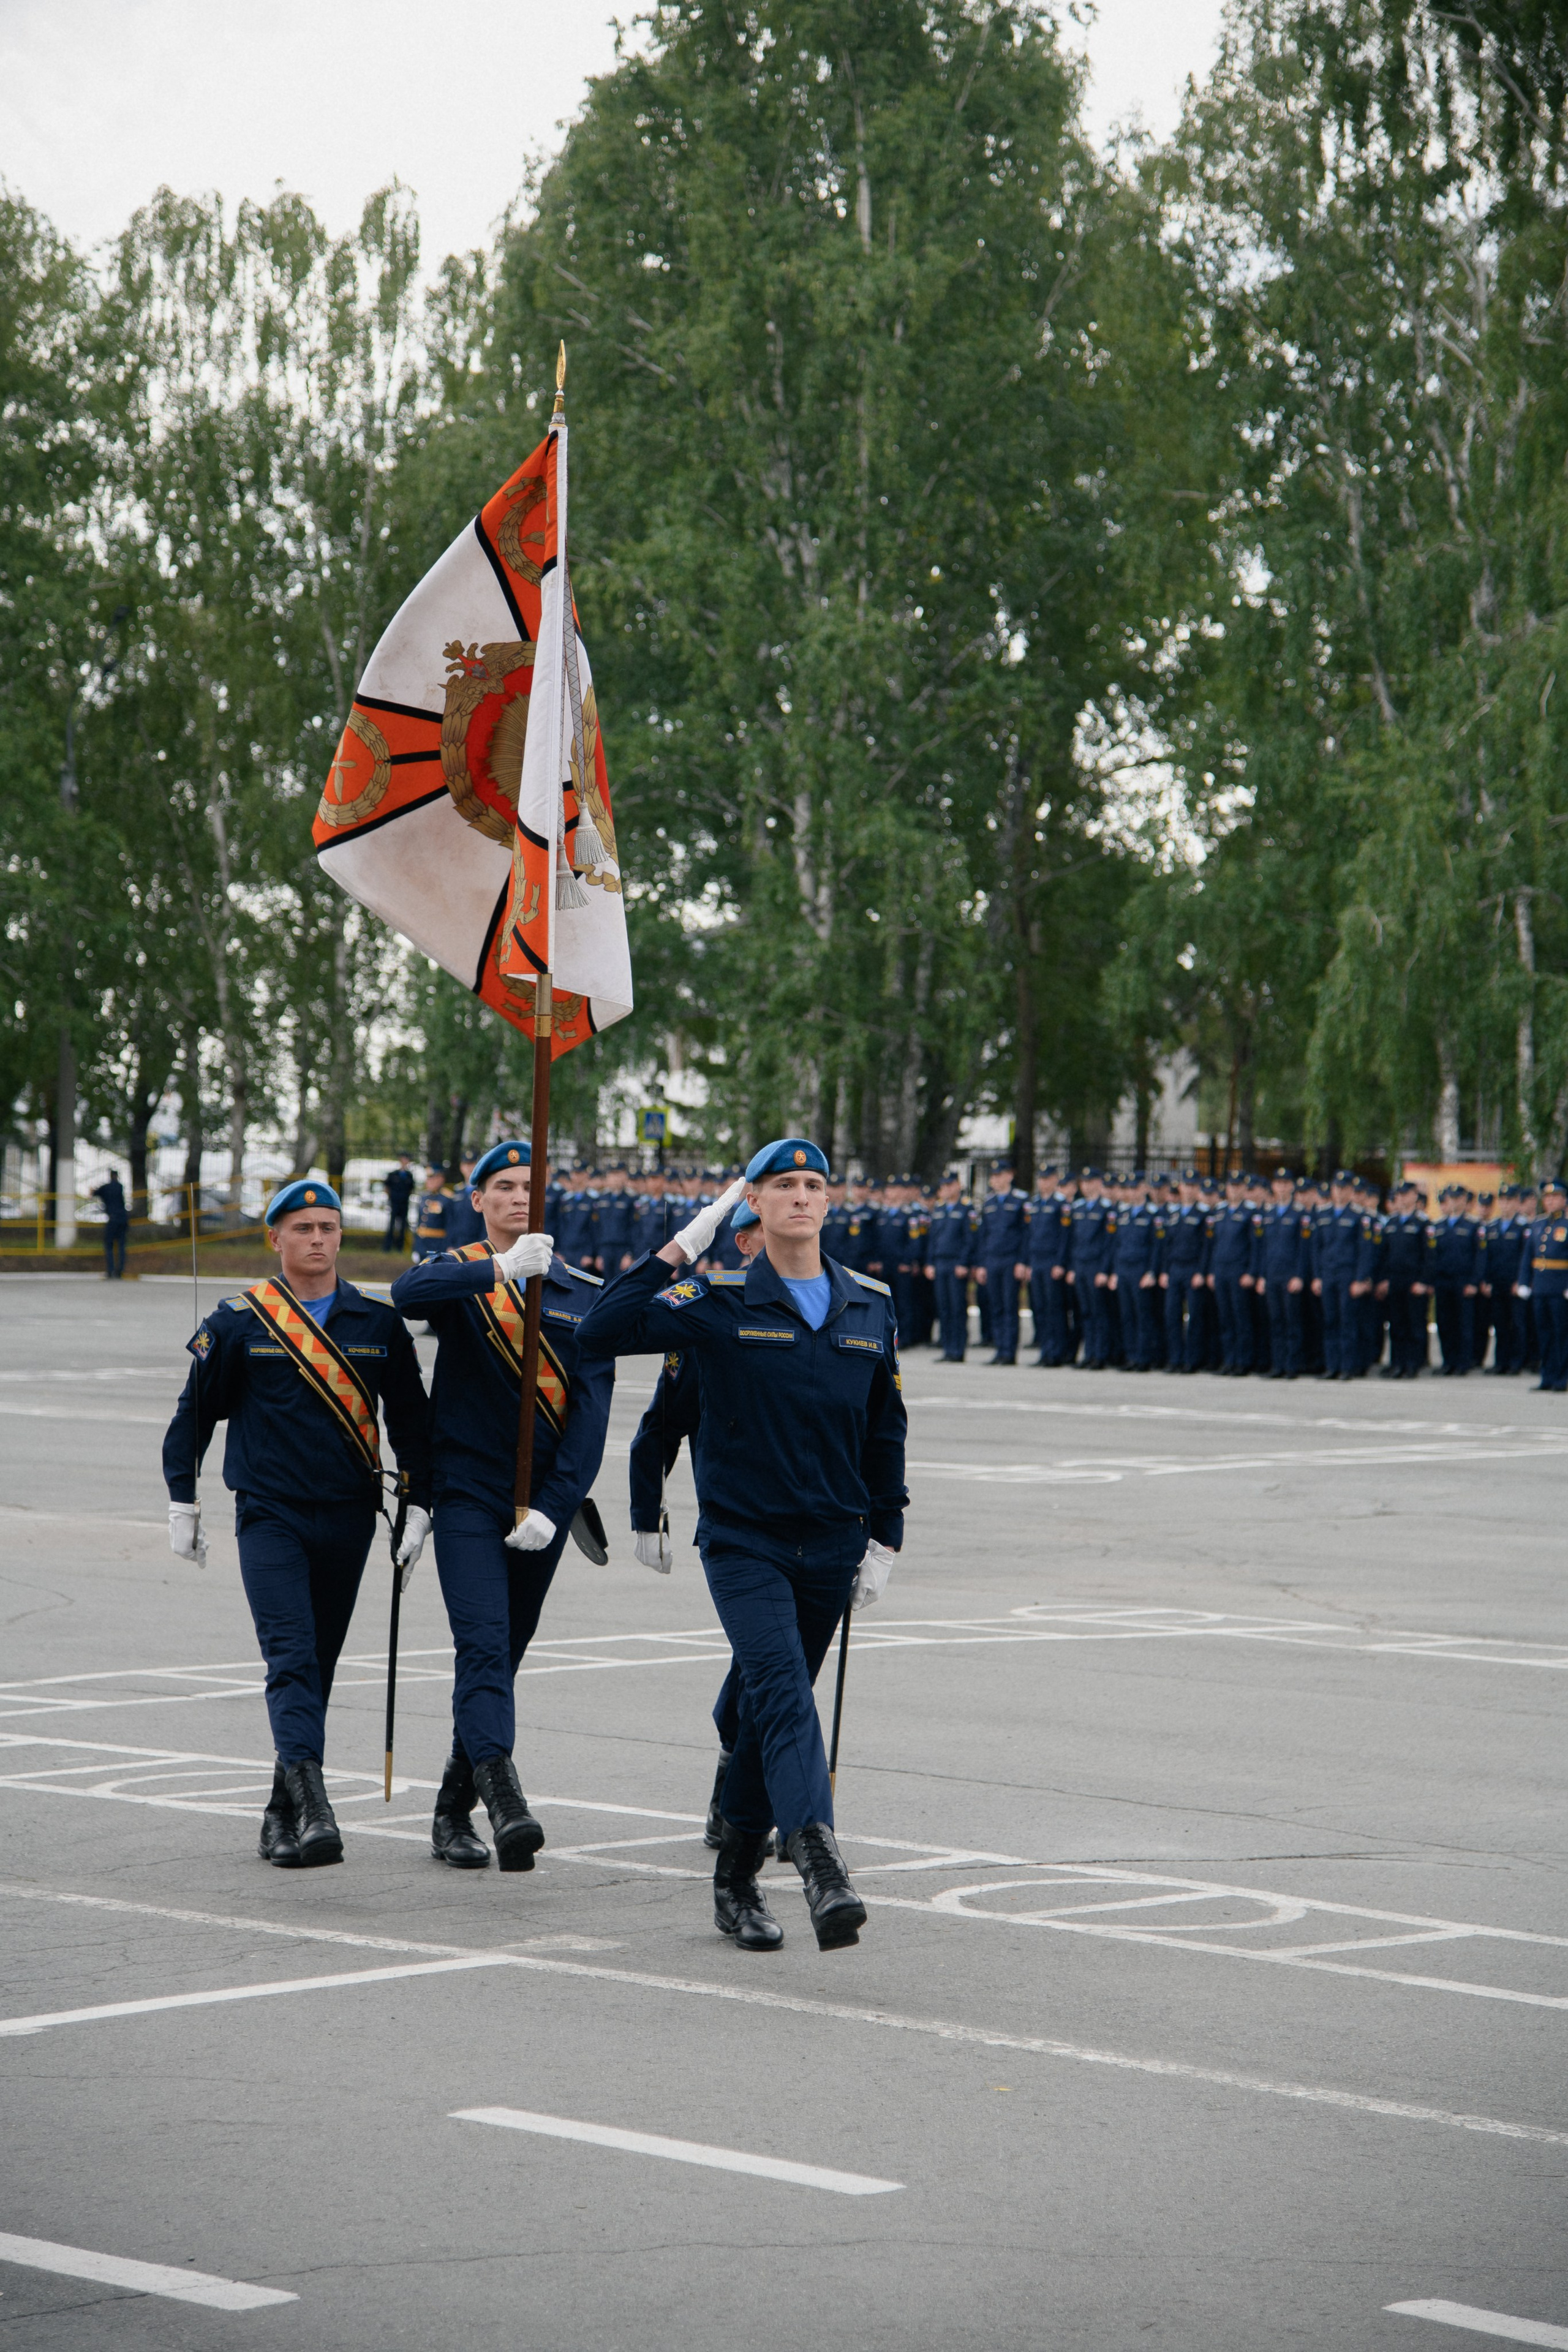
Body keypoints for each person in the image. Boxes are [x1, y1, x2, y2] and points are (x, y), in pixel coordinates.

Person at [577, 1139, 907, 1955]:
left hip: (832, 1542)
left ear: (829, 1203)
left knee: (766, 1714)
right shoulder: (713, 1298)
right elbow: (602, 1330)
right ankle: (822, 1861)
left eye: (814, 1184)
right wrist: (689, 1238)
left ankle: (733, 1878)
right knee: (782, 1691)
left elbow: (885, 1429)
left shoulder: (869, 1303)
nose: (801, 1195)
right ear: (751, 1204)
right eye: (781, 1185)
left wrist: (886, 1536)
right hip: (745, 1541)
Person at [161, 1179, 432, 1868]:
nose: (318, 1239)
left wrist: (420, 1504)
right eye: (303, 1227)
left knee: (320, 1664)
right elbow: (192, 1418)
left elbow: (413, 1425)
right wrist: (182, 1502)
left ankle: (279, 1813)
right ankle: (316, 1807)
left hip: (348, 1518)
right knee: (290, 1657)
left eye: (329, 1227)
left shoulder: (377, 1324)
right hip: (270, 1516)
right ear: (275, 1238)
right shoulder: (239, 1322)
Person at [391, 1142, 614, 1871]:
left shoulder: (582, 1292)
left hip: (541, 1506)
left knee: (505, 1655)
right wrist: (497, 1270)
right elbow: (405, 1296)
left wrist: (555, 1505)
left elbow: (589, 1419)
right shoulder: (457, 1274)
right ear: (478, 1199)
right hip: (464, 1492)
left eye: (532, 1188)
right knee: (482, 1643)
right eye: (506, 1188)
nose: (521, 1198)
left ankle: (452, 1808)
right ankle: (507, 1799)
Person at [627, 1202, 768, 1844]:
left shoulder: (841, 1306)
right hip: (740, 1520)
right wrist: (645, 1514)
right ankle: (768, 1806)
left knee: (771, 1665)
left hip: (819, 1519)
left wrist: (877, 1527)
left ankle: (742, 1776)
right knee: (774, 1664)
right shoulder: (710, 1313)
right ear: (744, 1241)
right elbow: (662, 1425)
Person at [973, 1161, 1030, 1365]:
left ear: (1009, 1176)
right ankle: (999, 1349)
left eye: (999, 1175)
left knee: (1009, 1306)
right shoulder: (988, 1203)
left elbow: (1025, 1234)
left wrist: (1022, 1262)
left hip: (1011, 1260)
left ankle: (1009, 1352)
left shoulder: (1021, 1200)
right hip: (992, 1260)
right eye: (993, 1176)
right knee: (995, 1306)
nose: (995, 1180)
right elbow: (983, 1236)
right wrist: (981, 1264)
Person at [1521, 1178, 1568, 1392]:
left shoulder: (1566, 1224)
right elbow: (1527, 1257)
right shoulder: (1538, 1223)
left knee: (1562, 1335)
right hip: (1540, 1287)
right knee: (1544, 1334)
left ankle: (1562, 1378)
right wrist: (1524, 1282)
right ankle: (1547, 1376)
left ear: (1564, 1200)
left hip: (1561, 1288)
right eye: (1547, 1198)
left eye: (1555, 1197)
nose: (1550, 1202)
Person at [926, 1172, 974, 1362]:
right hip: (940, 1263)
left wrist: (964, 1263)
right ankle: (947, 1348)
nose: (946, 1189)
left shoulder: (966, 1209)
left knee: (957, 1307)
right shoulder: (939, 1210)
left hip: (956, 1264)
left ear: (958, 1186)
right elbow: (933, 1239)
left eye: (950, 1185)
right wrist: (930, 1263)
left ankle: (958, 1349)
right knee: (944, 1308)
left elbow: (969, 1240)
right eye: (943, 1186)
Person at [92, 1169, 130, 1279]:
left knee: (109, 1245)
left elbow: (94, 1193)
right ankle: (120, 1271)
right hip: (123, 1219)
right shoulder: (120, 1187)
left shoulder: (106, 1188)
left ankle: (110, 1270)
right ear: (117, 1176)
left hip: (113, 1219)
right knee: (122, 1246)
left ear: (110, 1176)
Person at [444, 1155, 486, 1249]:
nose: (469, 1168)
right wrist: (450, 1244)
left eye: (472, 1164)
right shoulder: (457, 1191)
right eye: (466, 1165)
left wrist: (483, 1246)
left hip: (477, 1244)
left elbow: (485, 1222)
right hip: (457, 1245)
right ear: (461, 1167)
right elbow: (451, 1221)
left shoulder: (483, 1190)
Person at [412, 1166, 453, 1260]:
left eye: (432, 1178)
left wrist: (449, 1245)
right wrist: (416, 1247)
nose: (429, 1181)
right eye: (428, 1178)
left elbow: (450, 1225)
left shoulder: (447, 1199)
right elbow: (419, 1224)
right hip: (422, 1245)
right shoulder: (423, 1198)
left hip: (437, 1245)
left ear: (441, 1179)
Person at [382, 1154, 416, 1253]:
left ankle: (400, 1247)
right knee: (392, 1225)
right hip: (395, 1203)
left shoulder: (409, 1176)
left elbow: (411, 1189)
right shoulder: (393, 1174)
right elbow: (387, 1187)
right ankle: (387, 1247)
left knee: (403, 1226)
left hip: (404, 1203)